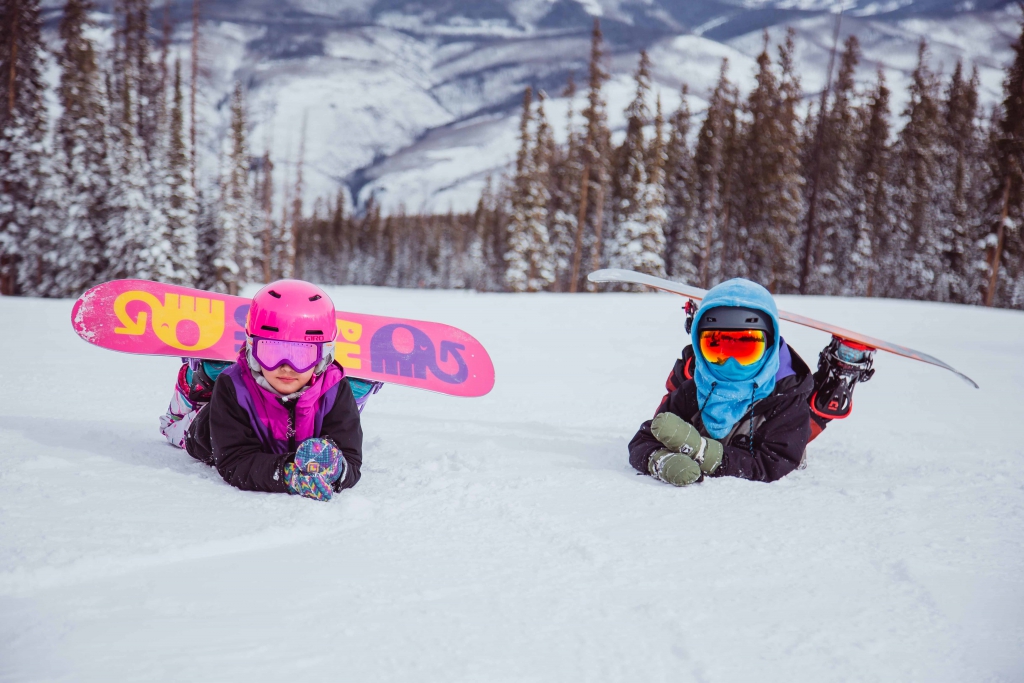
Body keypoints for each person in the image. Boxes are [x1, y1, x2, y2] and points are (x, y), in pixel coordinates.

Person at [628, 277, 873, 486]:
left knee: (807, 422)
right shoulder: (692, 391)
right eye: (716, 348)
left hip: (775, 404)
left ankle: (838, 375)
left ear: (768, 348)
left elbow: (775, 463)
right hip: (706, 382)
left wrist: (705, 453)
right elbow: (643, 439)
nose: (731, 364)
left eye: (746, 349)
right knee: (688, 374)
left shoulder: (786, 400)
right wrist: (659, 460)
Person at [159, 280, 382, 501]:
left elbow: (351, 460)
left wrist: (336, 469)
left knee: (329, 402)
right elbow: (234, 461)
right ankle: (197, 380)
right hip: (207, 433)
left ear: (322, 356)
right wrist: (288, 475)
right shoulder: (232, 388)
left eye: (302, 355)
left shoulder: (335, 389)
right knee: (174, 429)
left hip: (295, 425)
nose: (286, 367)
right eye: (272, 352)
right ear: (253, 348)